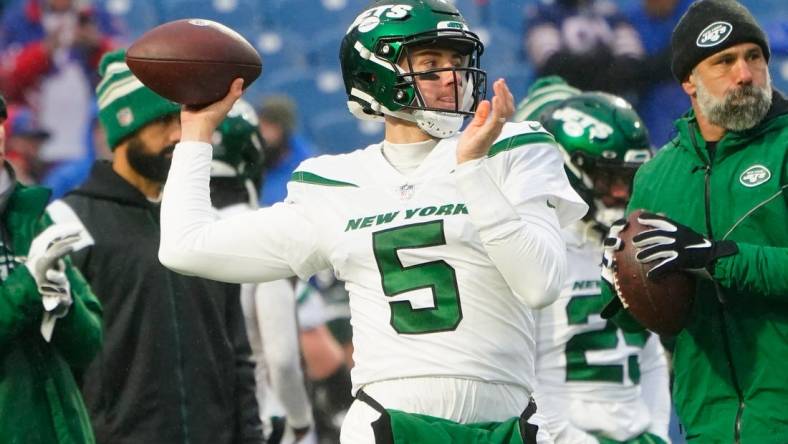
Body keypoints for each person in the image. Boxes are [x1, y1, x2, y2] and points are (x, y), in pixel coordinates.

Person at [160, 0, 589, 442]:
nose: (450, 76)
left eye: (457, 62)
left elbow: (540, 284)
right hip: (390, 424)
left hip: (504, 424)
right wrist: (196, 132)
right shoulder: (333, 184)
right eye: (430, 62)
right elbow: (184, 246)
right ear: (376, 74)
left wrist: (473, 170)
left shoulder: (512, 149)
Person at [45, 50, 263, 444]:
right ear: (124, 128)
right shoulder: (68, 223)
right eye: (162, 122)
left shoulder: (203, 218)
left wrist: (250, 435)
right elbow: (56, 367)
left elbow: (237, 353)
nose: (179, 134)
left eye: (179, 120)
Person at [600, 1, 788, 442]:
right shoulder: (655, 177)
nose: (744, 74)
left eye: (753, 57)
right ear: (689, 80)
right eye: (724, 62)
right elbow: (650, 318)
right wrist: (619, 281)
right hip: (707, 423)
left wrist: (716, 257)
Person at [516, 77, 671, 444]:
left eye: (627, 177)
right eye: (606, 177)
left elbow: (649, 356)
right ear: (568, 168)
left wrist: (655, 434)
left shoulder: (634, 244)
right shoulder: (534, 250)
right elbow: (522, 373)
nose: (621, 192)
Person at [210, 98, 314, 444]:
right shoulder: (264, 237)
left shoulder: (170, 236)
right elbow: (282, 359)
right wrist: (301, 420)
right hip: (255, 418)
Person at [0, 93, 103, 443]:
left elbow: (88, 345)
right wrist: (27, 285)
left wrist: (65, 307)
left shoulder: (33, 213)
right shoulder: (64, 181)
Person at [0, 0, 120, 163]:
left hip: (90, 144)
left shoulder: (96, 16)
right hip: (34, 144)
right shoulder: (20, 19)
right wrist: (43, 51)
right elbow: (6, 81)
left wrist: (97, 45)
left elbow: (124, 69)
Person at [522, 0, 644, 97]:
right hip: (561, 104)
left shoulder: (609, 11)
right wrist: (605, 65)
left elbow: (632, 60)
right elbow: (550, 63)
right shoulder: (544, 11)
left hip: (607, 105)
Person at [256, 95, 316, 206]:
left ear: (283, 129)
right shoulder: (250, 152)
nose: (262, 132)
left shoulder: (305, 165)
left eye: (270, 125)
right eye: (261, 124)